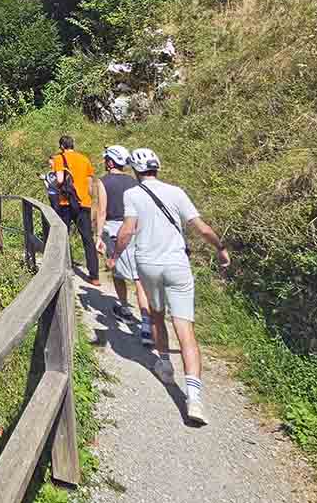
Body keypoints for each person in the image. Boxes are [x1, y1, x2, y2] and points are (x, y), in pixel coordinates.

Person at [111, 148, 230, 426]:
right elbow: (200, 228)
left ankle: (164, 362)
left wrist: (115, 255)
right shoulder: (177, 192)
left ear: (135, 171)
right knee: (185, 328)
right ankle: (194, 398)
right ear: (157, 167)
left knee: (156, 315)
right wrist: (220, 248)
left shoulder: (133, 195)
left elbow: (127, 230)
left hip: (148, 265)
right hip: (177, 264)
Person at [94, 144, 154, 347]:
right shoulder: (134, 181)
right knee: (139, 278)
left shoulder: (103, 182)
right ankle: (146, 325)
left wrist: (97, 235)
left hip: (113, 229)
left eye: (105, 159)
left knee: (117, 271)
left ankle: (125, 309)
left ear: (110, 162)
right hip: (135, 227)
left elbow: (102, 211)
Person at [48, 135, 101, 286]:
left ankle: (64, 267)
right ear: (73, 145)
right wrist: (90, 200)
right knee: (87, 239)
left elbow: (59, 179)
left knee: (62, 235)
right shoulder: (85, 159)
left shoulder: (59, 159)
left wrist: (57, 189)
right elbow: (90, 183)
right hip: (83, 202)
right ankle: (94, 275)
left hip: (66, 202)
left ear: (62, 147)